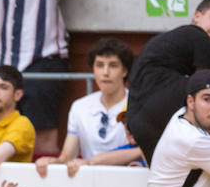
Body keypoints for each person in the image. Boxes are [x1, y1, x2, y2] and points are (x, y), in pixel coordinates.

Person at [126, 0, 210, 165]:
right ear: (197, 16)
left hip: (138, 124)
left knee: (178, 179)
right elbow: (205, 91)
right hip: (160, 102)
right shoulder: (200, 37)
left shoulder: (170, 40)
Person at [0, 0, 84, 154]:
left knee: (42, 139)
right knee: (0, 132)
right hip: (6, 60)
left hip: (43, 57)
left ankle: (43, 181)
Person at [36, 37, 144, 178]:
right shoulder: (79, 107)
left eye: (113, 65)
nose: (105, 72)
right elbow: (67, 156)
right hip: (87, 182)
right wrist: (52, 162)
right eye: (99, 65)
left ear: (124, 71)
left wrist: (90, 163)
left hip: (127, 180)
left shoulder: (140, 104)